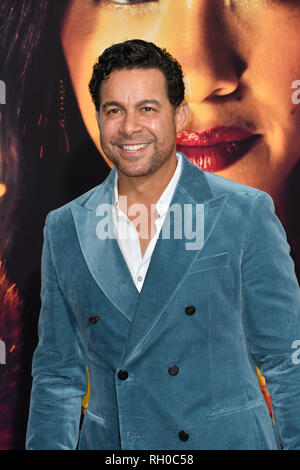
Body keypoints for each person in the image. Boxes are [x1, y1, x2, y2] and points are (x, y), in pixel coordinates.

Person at [26, 39, 300, 450]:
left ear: (179, 115)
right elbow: (56, 377)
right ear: (99, 118)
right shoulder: (65, 228)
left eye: (147, 109)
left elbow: (286, 363)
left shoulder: (245, 213)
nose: (129, 127)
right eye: (114, 110)